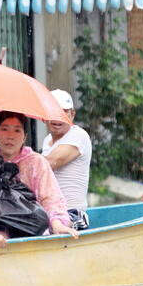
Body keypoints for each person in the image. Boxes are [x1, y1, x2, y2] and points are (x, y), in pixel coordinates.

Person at [0, 111, 78, 238]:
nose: (10, 136)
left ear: (25, 137)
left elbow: (51, 199)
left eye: (17, 130)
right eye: (4, 129)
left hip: (27, 233)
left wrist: (58, 224)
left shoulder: (36, 163)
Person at [41, 89, 92, 230]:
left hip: (72, 214)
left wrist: (17, 159)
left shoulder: (78, 135)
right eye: (53, 112)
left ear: (72, 114)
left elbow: (49, 164)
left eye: (64, 112)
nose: (58, 118)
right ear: (45, 115)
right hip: (49, 213)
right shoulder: (47, 141)